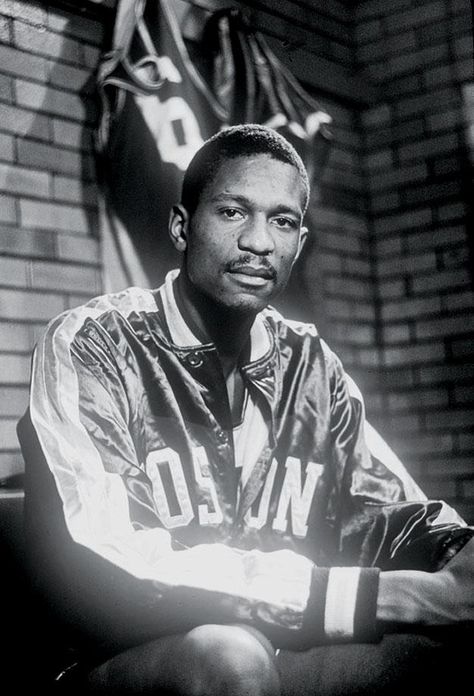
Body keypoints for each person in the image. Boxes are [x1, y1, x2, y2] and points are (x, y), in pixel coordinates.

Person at [18, 124, 474, 695]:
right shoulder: (93, 344)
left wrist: (457, 552)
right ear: (182, 227)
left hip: (277, 642)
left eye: (282, 221)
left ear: (299, 244)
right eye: (233, 212)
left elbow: (384, 514)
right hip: (113, 657)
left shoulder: (310, 363)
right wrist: (380, 597)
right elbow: (113, 556)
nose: (259, 241)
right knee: (231, 655)